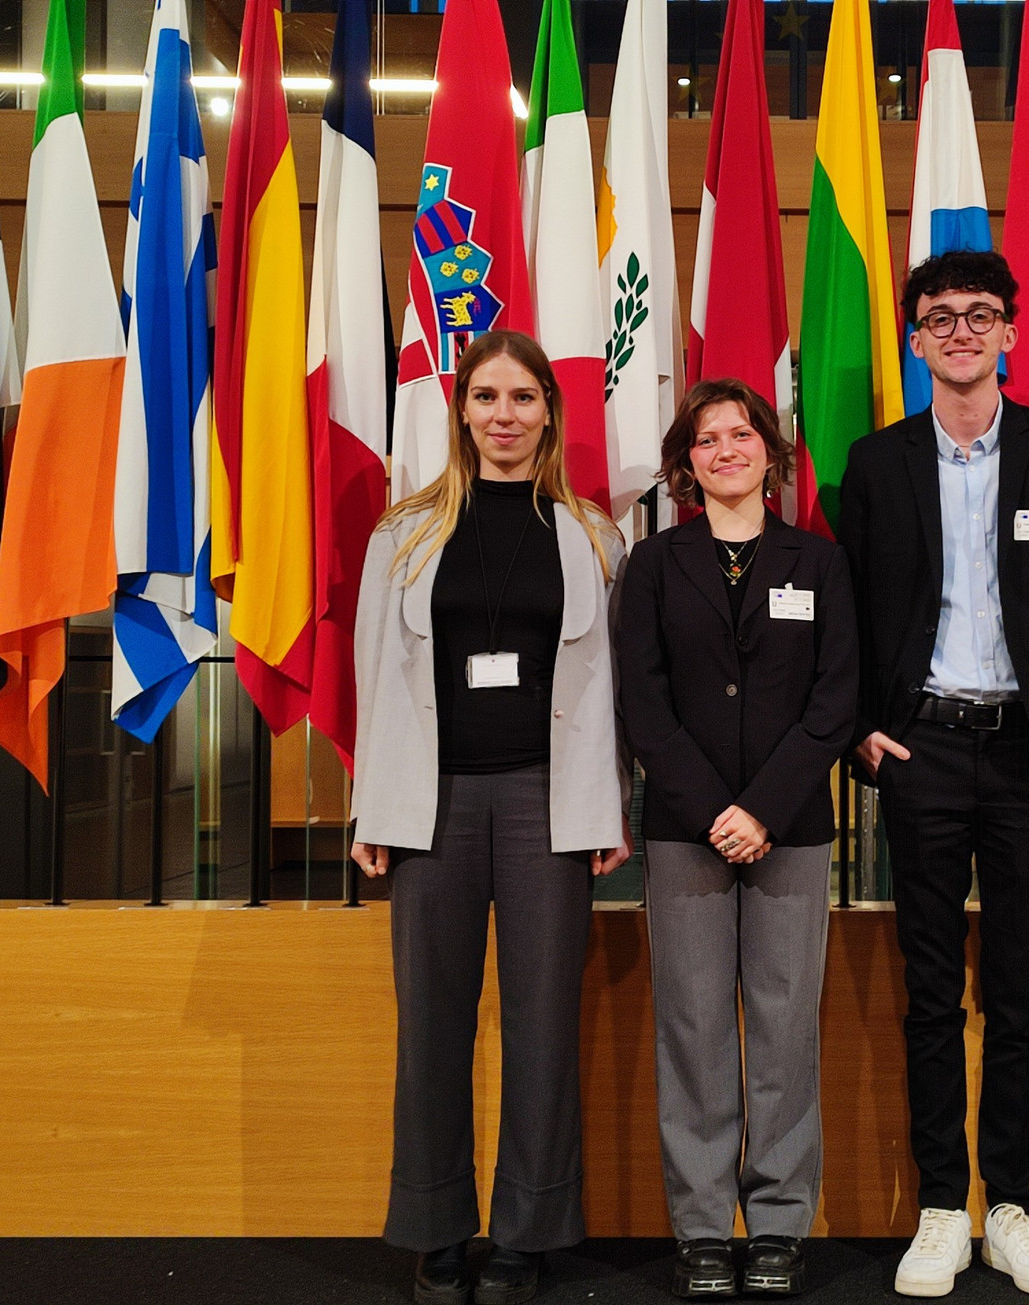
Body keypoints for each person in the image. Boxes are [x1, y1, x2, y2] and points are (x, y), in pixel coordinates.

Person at [838, 250, 1029, 1298]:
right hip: (921, 751)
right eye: (940, 319)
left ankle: (1013, 1206)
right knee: (925, 994)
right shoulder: (875, 465)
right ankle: (942, 1208)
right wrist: (865, 729)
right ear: (915, 341)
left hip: (1028, 752)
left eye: (981, 316)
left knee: (1015, 992)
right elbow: (855, 616)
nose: (961, 333)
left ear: (1011, 333)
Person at [349, 330, 631, 1305]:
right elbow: (373, 680)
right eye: (486, 397)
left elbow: (606, 693)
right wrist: (370, 809)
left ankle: (526, 1233)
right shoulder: (405, 532)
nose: (504, 414)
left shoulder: (595, 535)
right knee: (431, 1020)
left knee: (543, 1024)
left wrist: (610, 810)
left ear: (548, 411)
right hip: (433, 807)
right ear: (461, 411)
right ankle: (434, 1227)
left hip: (549, 805)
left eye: (522, 397)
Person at [620, 378, 859, 1298]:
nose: (727, 449)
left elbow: (836, 698)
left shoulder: (818, 563)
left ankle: (779, 1222)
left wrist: (760, 808)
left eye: (742, 432)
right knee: (692, 1027)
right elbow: (644, 703)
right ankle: (700, 1224)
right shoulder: (655, 563)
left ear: (771, 449)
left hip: (791, 830)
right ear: (688, 464)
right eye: (708, 438)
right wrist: (715, 806)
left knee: (785, 1025)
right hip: (685, 831)